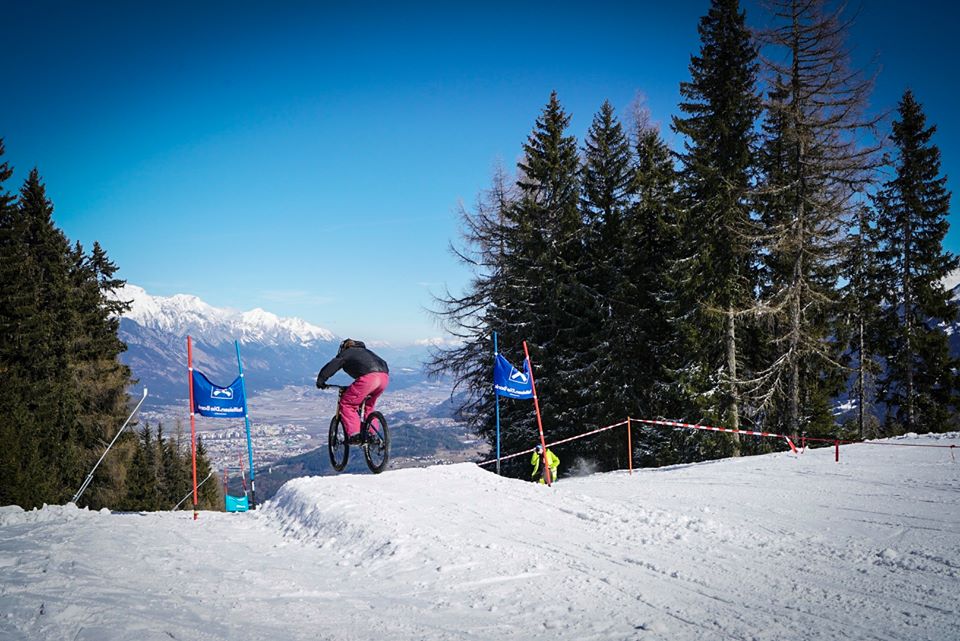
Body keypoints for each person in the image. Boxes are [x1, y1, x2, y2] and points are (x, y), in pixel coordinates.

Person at [316, 339, 390, 444]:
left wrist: (321, 379)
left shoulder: (348, 353)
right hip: (384, 378)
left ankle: (355, 434)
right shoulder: (367, 352)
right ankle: (372, 435)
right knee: (369, 407)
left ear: (345, 347)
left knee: (347, 404)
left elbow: (332, 365)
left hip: (369, 379)